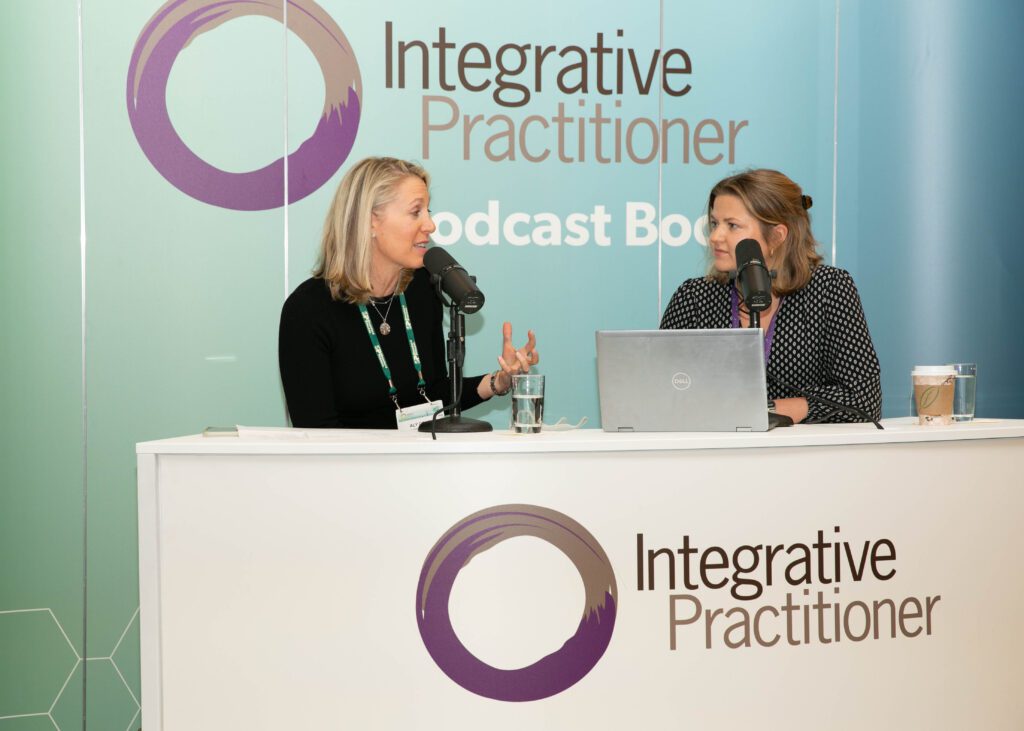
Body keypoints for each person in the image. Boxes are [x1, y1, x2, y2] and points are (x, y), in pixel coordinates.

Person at [279, 157, 538, 428]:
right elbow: (315, 435)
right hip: (349, 468)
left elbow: (433, 394)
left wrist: (499, 381)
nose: (430, 225)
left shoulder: (422, 290)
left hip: (421, 464)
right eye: (416, 212)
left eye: (428, 211)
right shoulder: (308, 310)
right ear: (370, 221)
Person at [660, 169, 881, 423]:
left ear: (777, 235)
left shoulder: (829, 288)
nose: (714, 237)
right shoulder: (694, 297)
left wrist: (765, 410)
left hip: (803, 458)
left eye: (731, 225)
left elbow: (864, 399)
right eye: (714, 223)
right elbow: (663, 395)